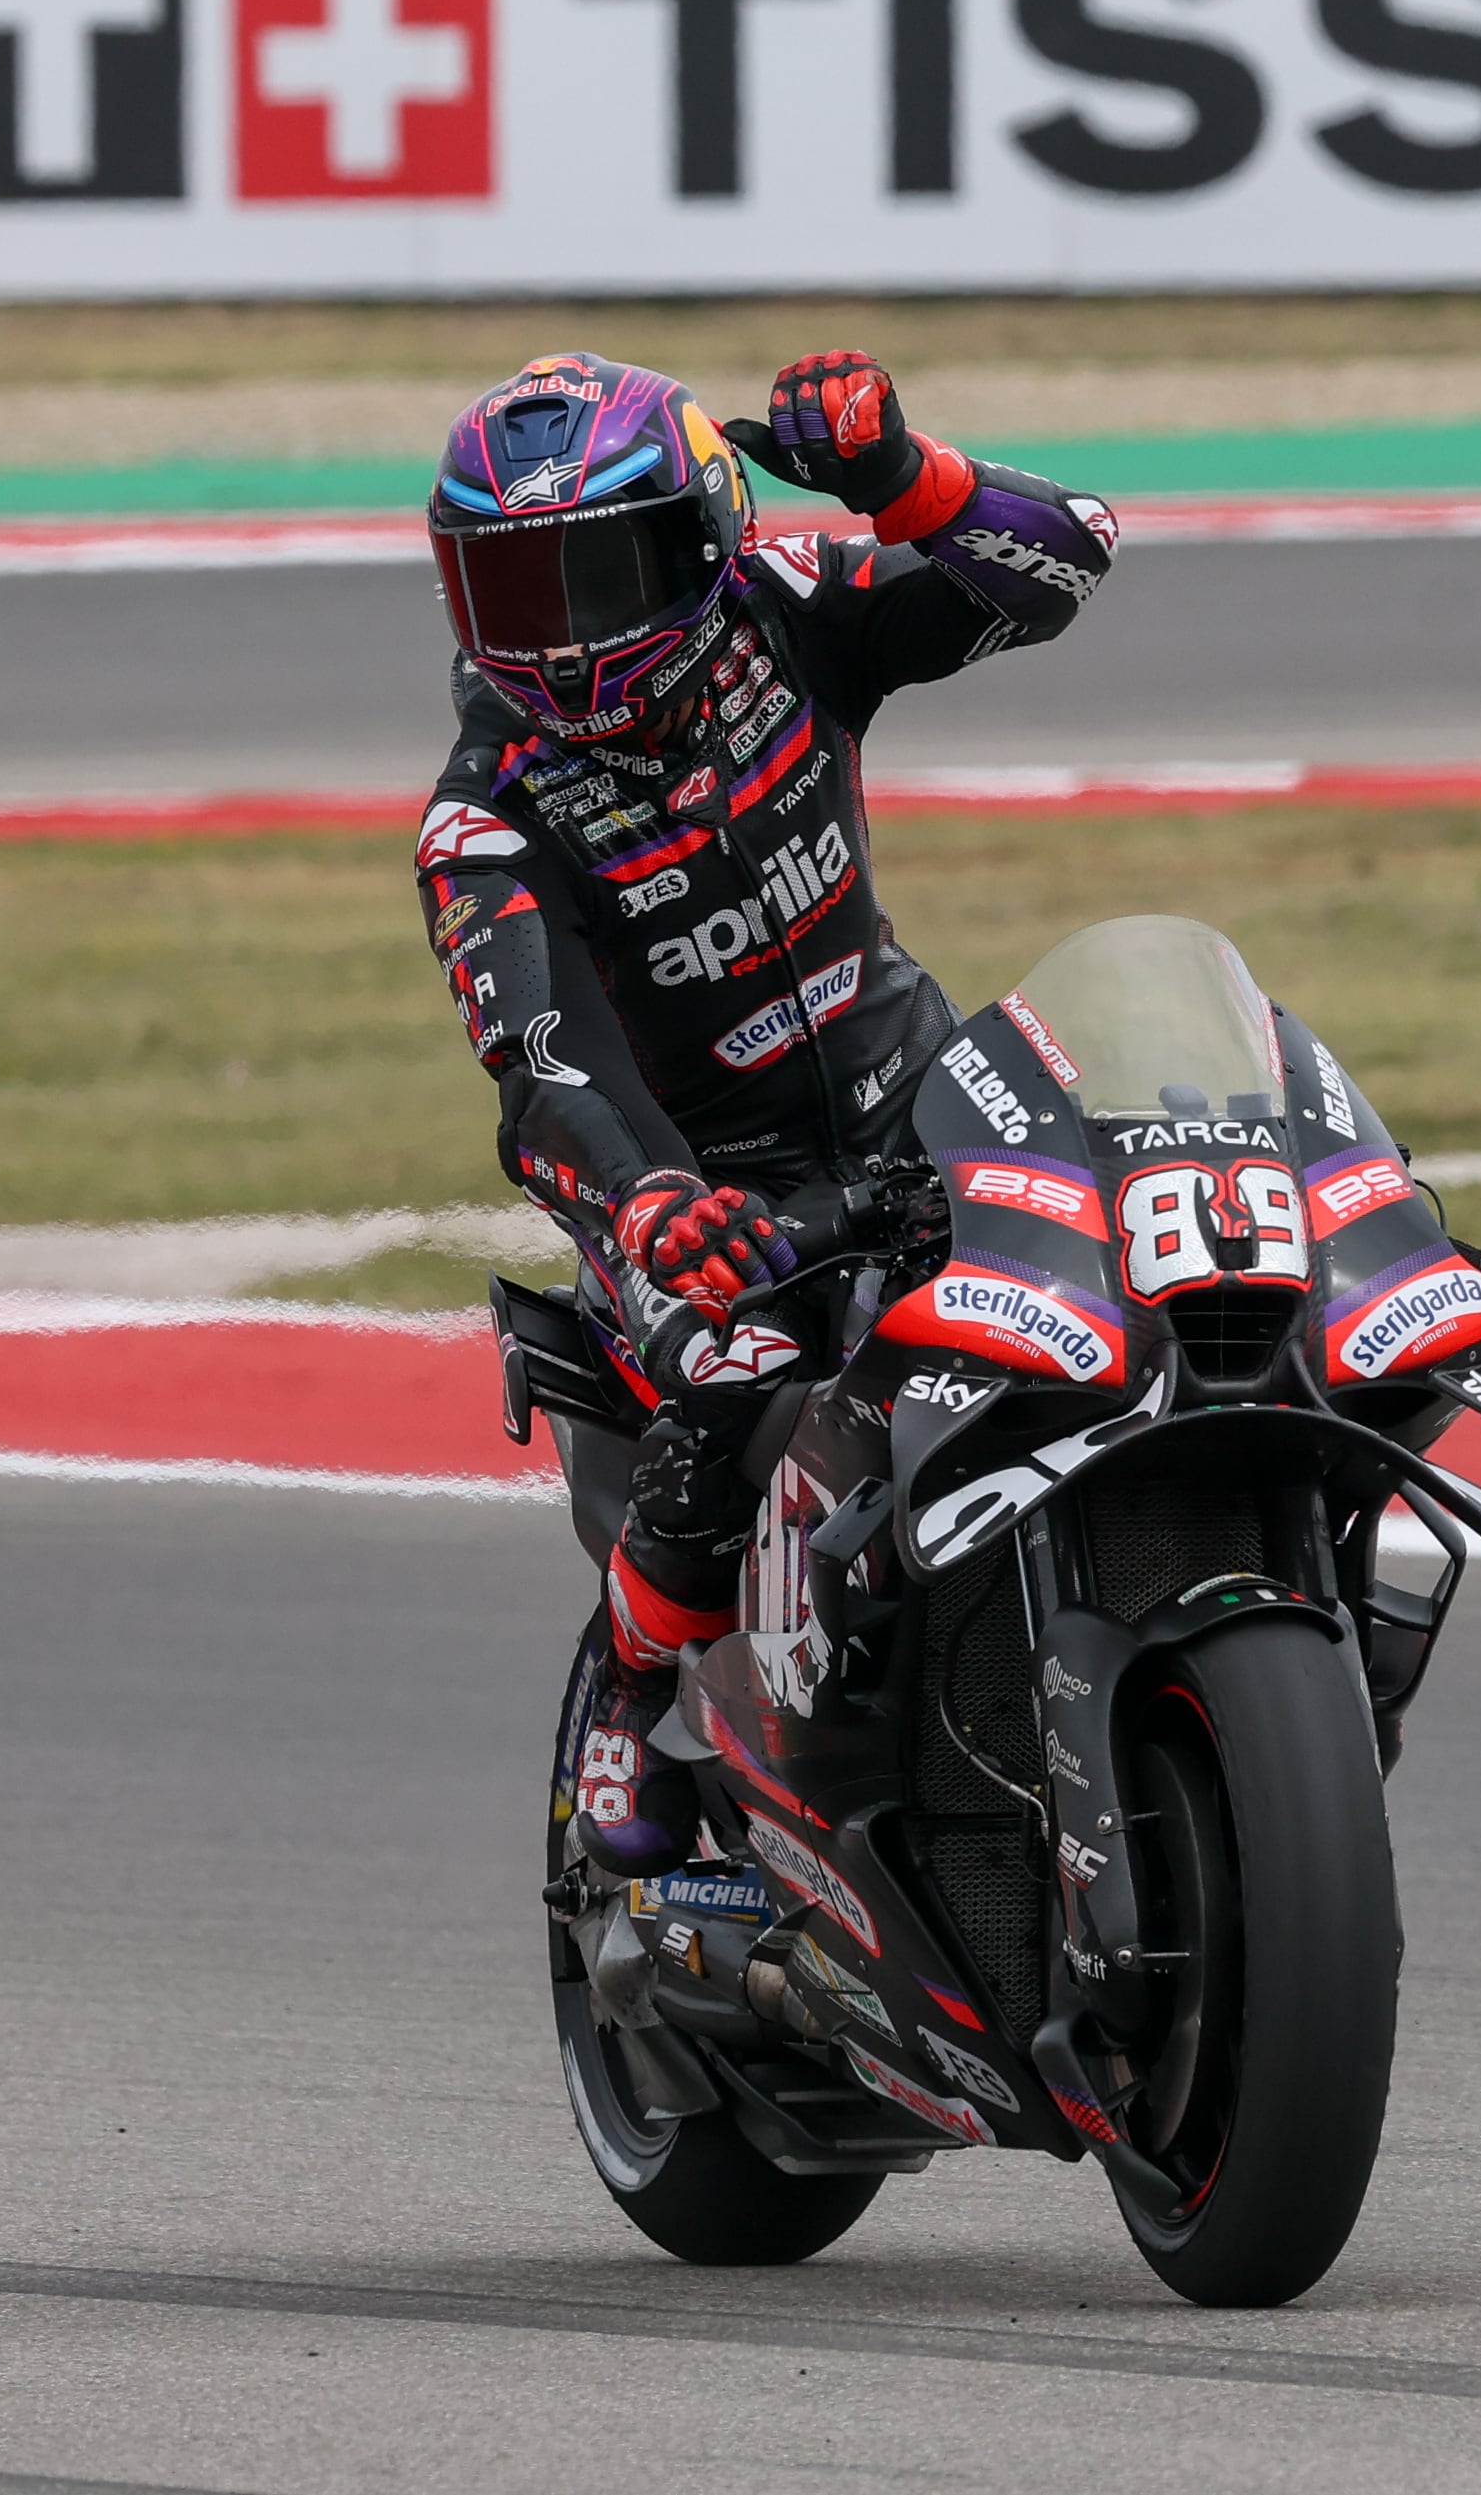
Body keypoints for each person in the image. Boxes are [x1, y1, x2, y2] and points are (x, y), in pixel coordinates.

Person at [414, 349, 1117, 1876]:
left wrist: (898, 477)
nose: (575, 634)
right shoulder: (486, 817)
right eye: (521, 592)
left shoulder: (784, 608)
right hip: (705, 1197)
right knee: (744, 1366)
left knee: (1145, 1232)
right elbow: (541, 1073)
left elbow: (1070, 553)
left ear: (705, 532)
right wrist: (651, 1205)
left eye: (606, 569)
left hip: (919, 1095)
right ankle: (630, 1681)